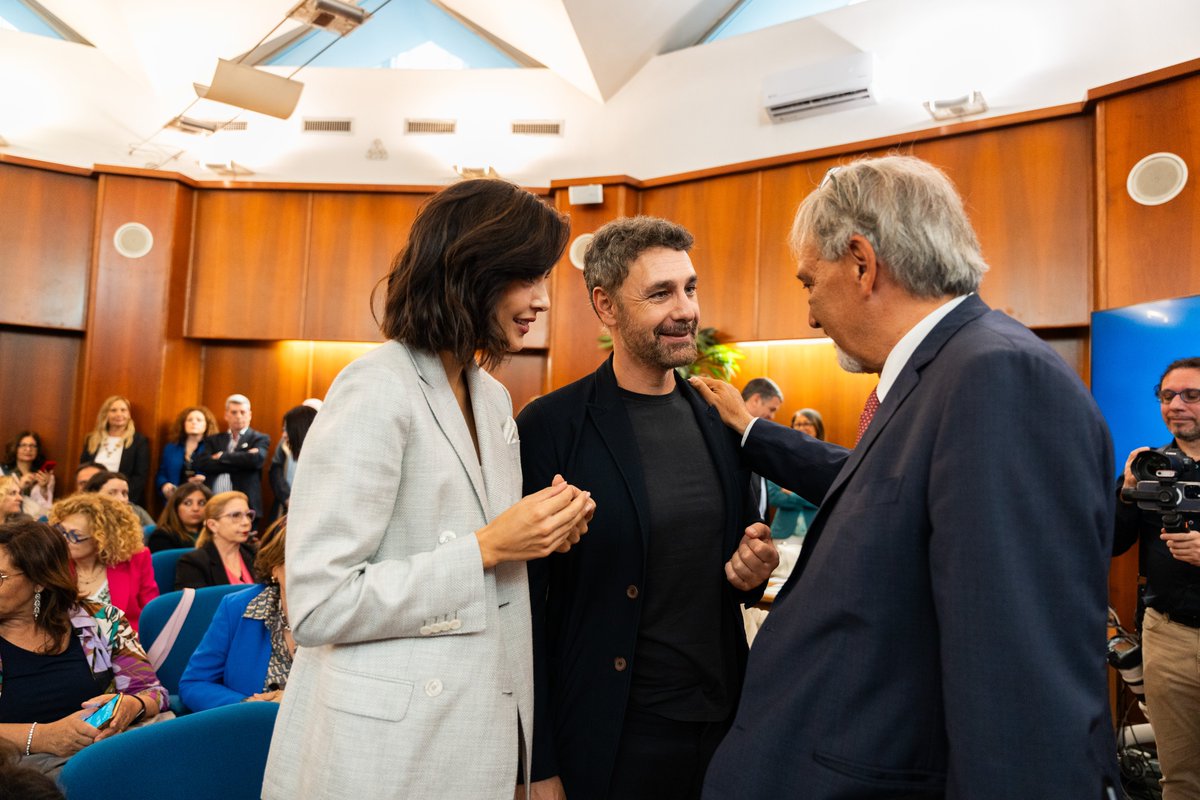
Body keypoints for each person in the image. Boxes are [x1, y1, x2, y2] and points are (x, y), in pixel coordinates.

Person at [691, 155, 1118, 799]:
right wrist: (752, 435)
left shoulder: (994, 378)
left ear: (861, 262)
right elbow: (885, 491)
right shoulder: (946, 374)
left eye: (809, 282)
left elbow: (1016, 686)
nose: (809, 313)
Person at [263, 179, 593, 800]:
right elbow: (317, 603)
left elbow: (492, 567)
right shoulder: (375, 387)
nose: (543, 301)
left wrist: (543, 533)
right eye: (528, 278)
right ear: (472, 272)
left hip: (479, 731)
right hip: (385, 751)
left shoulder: (492, 396)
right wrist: (487, 548)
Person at [517, 216, 778, 800]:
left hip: (721, 727)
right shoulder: (553, 428)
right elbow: (524, 607)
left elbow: (724, 572)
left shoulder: (720, 420)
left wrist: (747, 569)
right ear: (606, 306)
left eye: (690, 287)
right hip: (609, 735)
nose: (685, 308)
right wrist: (538, 765)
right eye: (660, 293)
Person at [0, 519, 167, 777]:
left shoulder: (100, 619)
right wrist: (42, 736)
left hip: (104, 757)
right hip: (19, 773)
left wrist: (130, 706)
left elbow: (154, 693)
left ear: (39, 581)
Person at [1114, 356, 1200, 799]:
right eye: (1168, 396)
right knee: (1180, 775)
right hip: (1169, 637)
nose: (1177, 405)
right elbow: (1108, 544)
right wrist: (1128, 493)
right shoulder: (1149, 466)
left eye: (1191, 395)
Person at [179, 517, 294, 711]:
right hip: (251, 732)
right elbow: (194, 684)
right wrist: (246, 706)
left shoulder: (348, 613)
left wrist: (295, 700)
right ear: (275, 567)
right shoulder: (238, 608)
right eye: (299, 560)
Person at [48, 494, 157, 631]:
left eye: (76, 535)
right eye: (61, 531)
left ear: (101, 539)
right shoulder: (54, 561)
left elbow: (152, 614)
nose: (64, 539)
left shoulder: (135, 559)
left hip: (123, 644)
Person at [192, 395, 270, 524]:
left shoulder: (259, 438)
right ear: (226, 415)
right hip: (213, 505)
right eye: (234, 412)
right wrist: (242, 460)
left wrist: (222, 456)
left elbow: (256, 461)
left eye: (242, 412)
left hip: (246, 508)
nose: (238, 416)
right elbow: (203, 463)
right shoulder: (214, 439)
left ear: (249, 415)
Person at [174, 491, 258, 590]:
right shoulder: (193, 563)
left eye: (248, 515)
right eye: (236, 515)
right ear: (213, 525)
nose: (246, 522)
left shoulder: (256, 554)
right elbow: (200, 604)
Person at [79, 396, 151, 507]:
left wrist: (122, 499)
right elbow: (83, 469)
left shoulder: (139, 441)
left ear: (129, 414)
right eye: (113, 410)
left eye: (123, 410)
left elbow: (139, 477)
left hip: (123, 501)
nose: (119, 414)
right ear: (105, 414)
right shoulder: (91, 439)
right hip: (93, 500)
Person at [155, 405, 218, 502]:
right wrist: (164, 485)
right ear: (183, 424)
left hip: (203, 499)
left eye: (199, 420)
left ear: (207, 425)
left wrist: (205, 479)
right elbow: (162, 473)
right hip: (175, 499)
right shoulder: (171, 448)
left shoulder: (213, 448)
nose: (194, 422)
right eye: (189, 420)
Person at [741, 378, 783, 518]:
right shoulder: (726, 431)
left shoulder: (757, 437)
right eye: (772, 409)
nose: (772, 416)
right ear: (756, 399)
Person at [267, 404, 317, 521]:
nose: (283, 435)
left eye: (286, 429)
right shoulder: (288, 448)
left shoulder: (321, 459)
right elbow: (275, 470)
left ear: (300, 428)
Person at [1, 432, 54, 519]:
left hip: (36, 521)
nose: (28, 449)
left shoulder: (47, 475)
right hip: (9, 519)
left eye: (33, 446)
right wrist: (19, 487)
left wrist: (44, 489)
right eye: (23, 445)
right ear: (15, 448)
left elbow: (47, 510)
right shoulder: (2, 471)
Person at [149, 483, 210, 553]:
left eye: (202, 503)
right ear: (175, 508)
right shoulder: (161, 537)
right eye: (188, 503)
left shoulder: (216, 534)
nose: (195, 508)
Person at [81, 470, 154, 527]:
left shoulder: (135, 516)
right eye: (112, 493)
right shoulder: (80, 522)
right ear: (93, 495)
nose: (121, 499)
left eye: (124, 493)